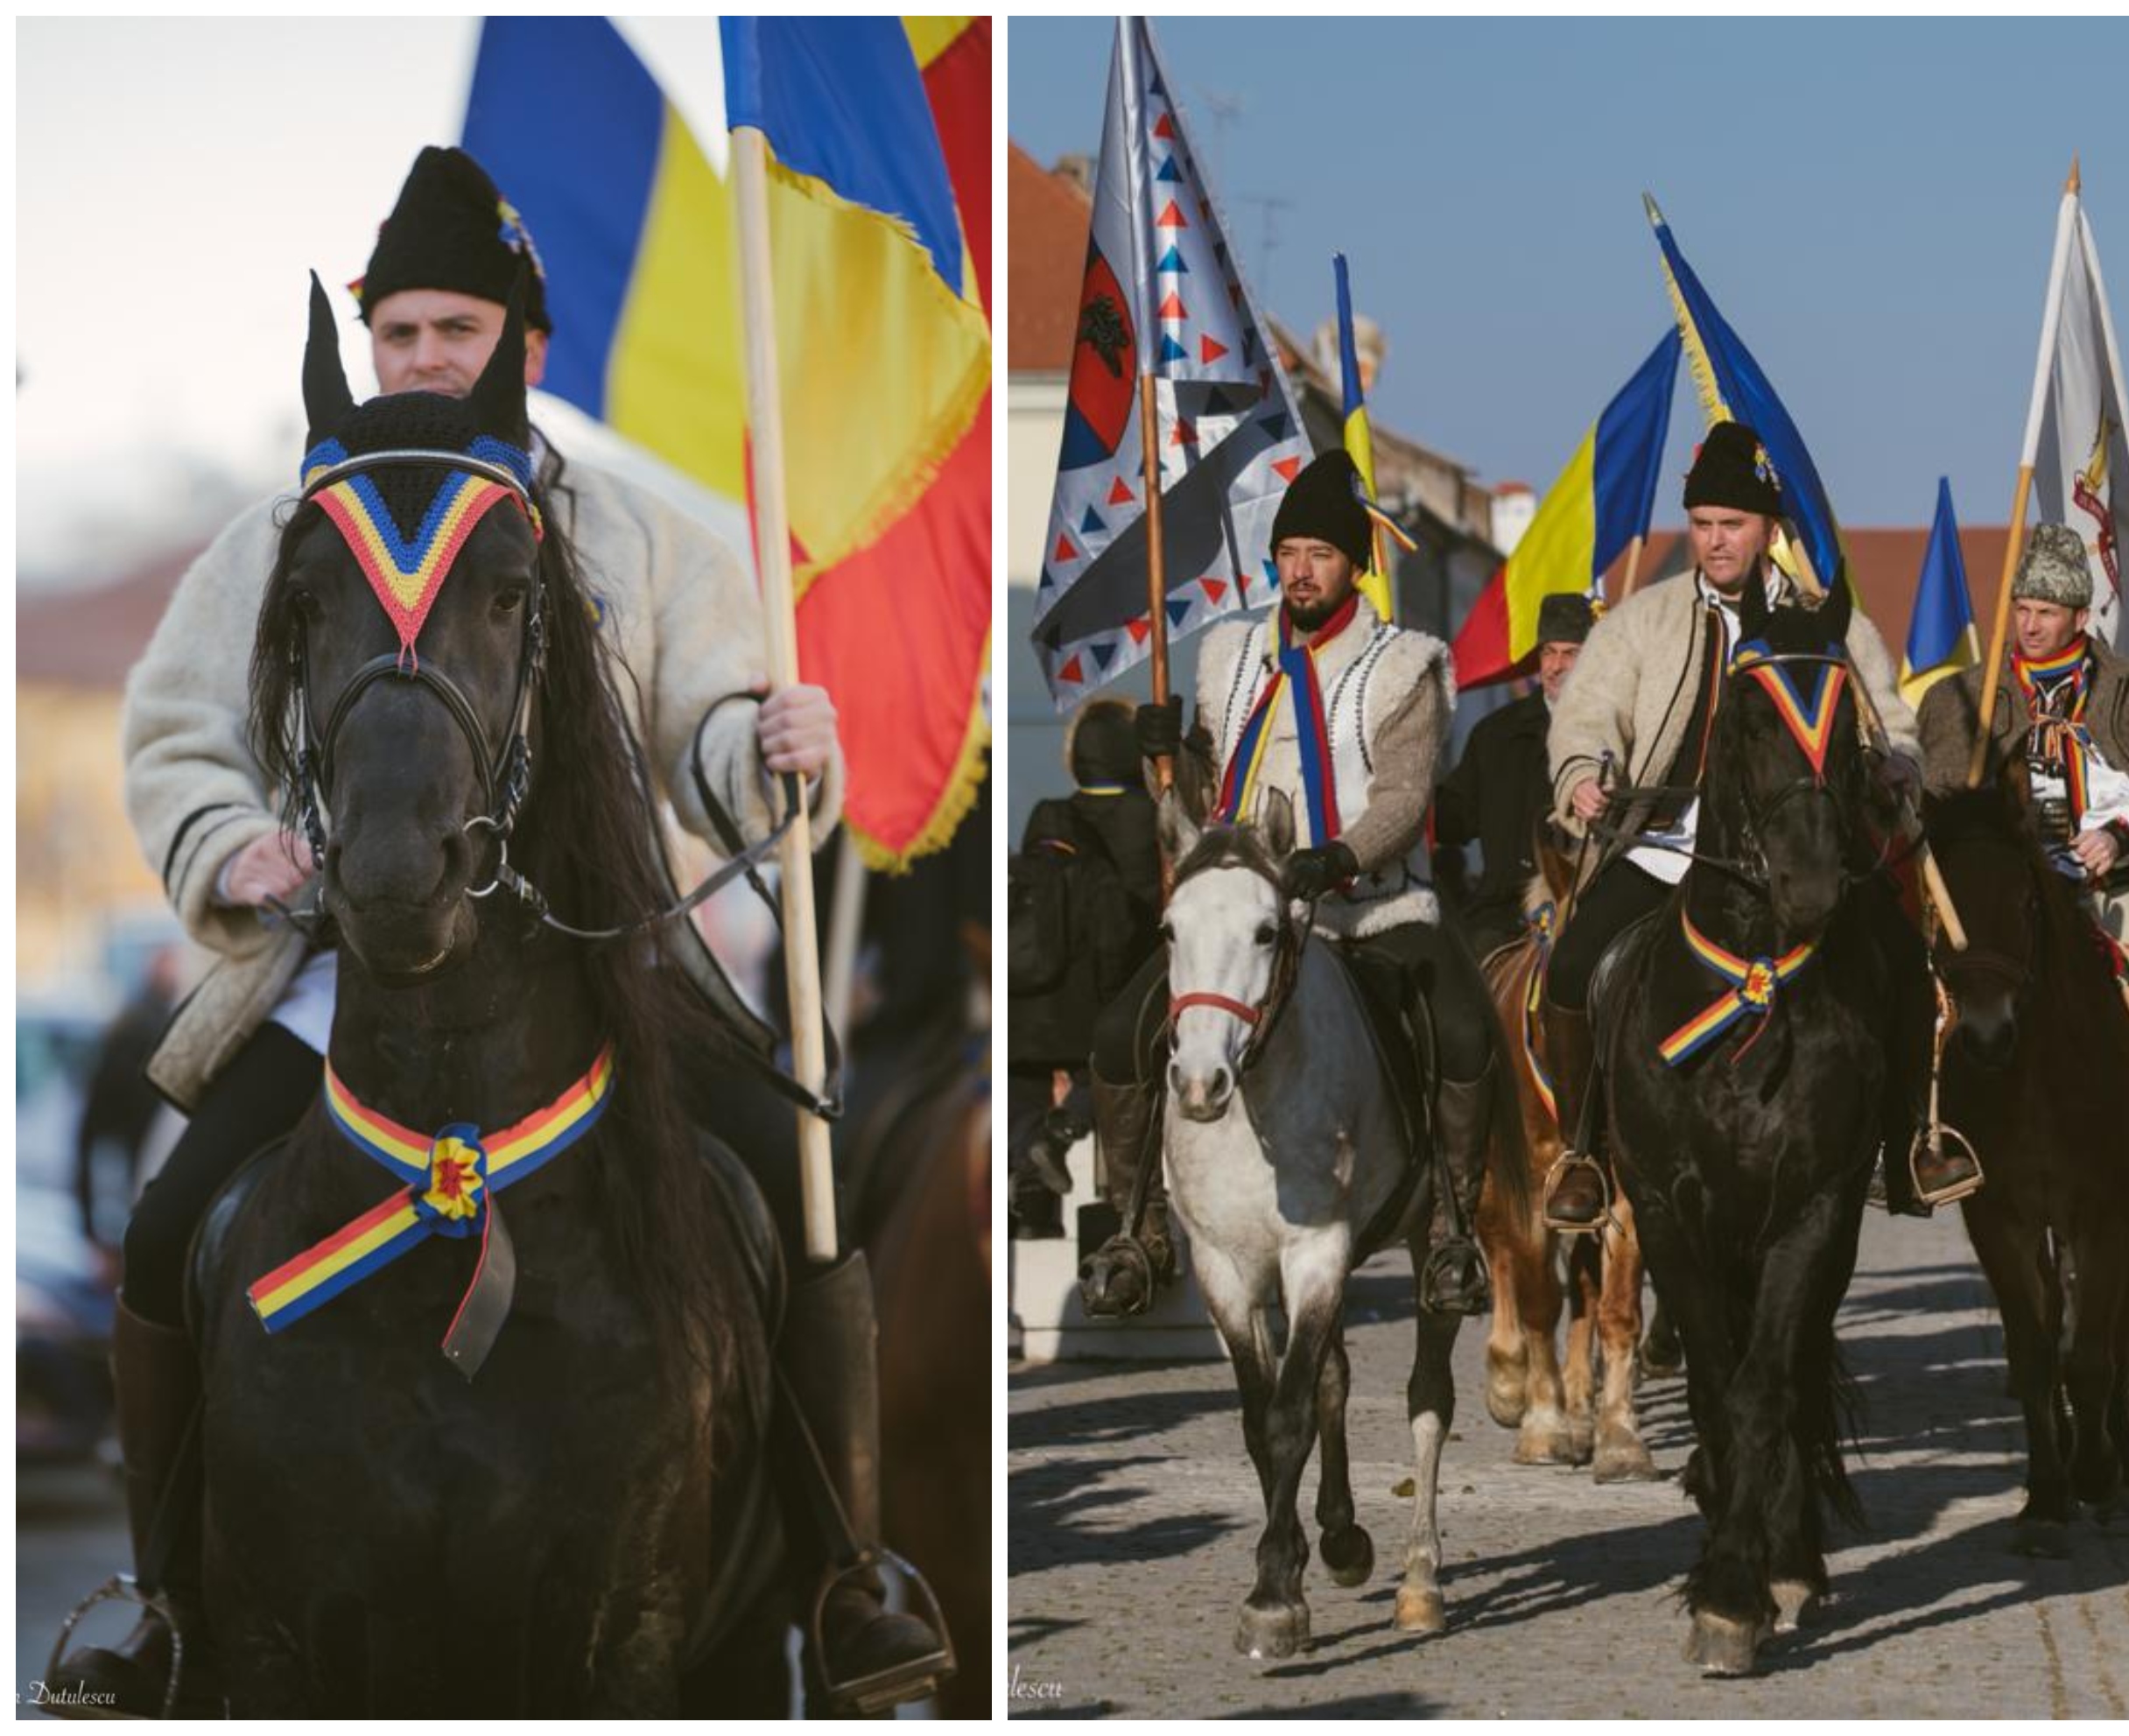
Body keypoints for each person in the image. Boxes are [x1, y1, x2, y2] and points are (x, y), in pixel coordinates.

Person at [71, 147, 945, 1713]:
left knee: (790, 1197)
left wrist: (773, 750)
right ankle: (157, 1599)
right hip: (335, 973)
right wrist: (231, 840)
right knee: (165, 1225)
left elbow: (711, 732)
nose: (424, 358)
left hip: (613, 968)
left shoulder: (641, 538)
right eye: (397, 331)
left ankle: (845, 1568)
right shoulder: (289, 531)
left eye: (454, 331)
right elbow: (176, 731)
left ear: (523, 347)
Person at [1078, 448, 1499, 1319]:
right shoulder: (1230, 654)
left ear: (1354, 565)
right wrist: (1170, 753)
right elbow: (1201, 793)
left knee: (1460, 1026)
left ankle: (1454, 1224)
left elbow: (1405, 793)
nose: (1301, 572)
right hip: (1243, 909)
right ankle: (1139, 1222)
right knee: (1121, 1032)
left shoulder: (1401, 664)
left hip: (1369, 905)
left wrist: (1340, 856)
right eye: (1290, 553)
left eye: (1321, 555)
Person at [1538, 420, 1955, 1227]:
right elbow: (1584, 715)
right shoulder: (1641, 620)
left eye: (1733, 525)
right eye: (1702, 525)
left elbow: (1890, 721)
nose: (1716, 541)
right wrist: (1583, 772)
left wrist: (1899, 761)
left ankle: (1910, 1145)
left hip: (1803, 852)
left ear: (1769, 530)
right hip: (1664, 845)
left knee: (1903, 955)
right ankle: (1583, 1152)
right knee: (1572, 962)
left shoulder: (1827, 624)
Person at [1918, 523, 2129, 1202]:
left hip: (2097, 892)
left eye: (2046, 612)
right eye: (2022, 609)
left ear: (2078, 616)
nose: (2031, 624)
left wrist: (2114, 841)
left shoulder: (2121, 702)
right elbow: (1939, 801)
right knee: (1921, 994)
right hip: (1997, 894)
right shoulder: (1968, 699)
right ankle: (1911, 1139)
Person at [1009, 702, 1163, 1236]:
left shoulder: (1052, 817)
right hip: (1121, 995)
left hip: (1040, 994)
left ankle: (1030, 1214)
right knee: (1109, 1085)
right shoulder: (1158, 820)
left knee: (1022, 1091)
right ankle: (1122, 1224)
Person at [1436, 591, 1596, 962]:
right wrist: (1411, 799)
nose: (1555, 666)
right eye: (1548, 652)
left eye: (1570, 653)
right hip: (1501, 917)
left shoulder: (1620, 733)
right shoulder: (1496, 734)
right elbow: (1456, 818)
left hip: (1587, 908)